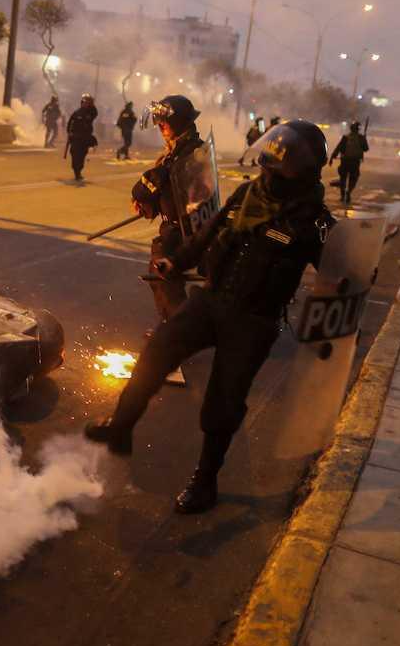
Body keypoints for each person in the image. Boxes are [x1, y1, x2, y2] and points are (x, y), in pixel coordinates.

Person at [85, 120, 335, 514]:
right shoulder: (247, 195)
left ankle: (205, 482)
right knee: (156, 353)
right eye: (267, 164)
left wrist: (357, 266)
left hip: (254, 321)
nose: (267, 174)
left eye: (277, 168)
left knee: (223, 404)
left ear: (303, 172)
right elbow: (205, 237)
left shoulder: (315, 222)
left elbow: (342, 274)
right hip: (211, 300)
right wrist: (175, 261)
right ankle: (120, 429)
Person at [130, 94, 213, 387]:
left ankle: (178, 337)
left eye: (165, 122)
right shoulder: (183, 149)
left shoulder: (187, 153)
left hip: (184, 229)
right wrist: (150, 203)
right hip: (178, 225)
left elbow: (150, 186)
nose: (161, 126)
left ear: (178, 122)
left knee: (164, 274)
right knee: (165, 277)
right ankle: (176, 329)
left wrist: (146, 192)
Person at [329, 119, 368, 205]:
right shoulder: (361, 138)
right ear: (358, 129)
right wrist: (365, 139)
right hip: (355, 162)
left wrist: (332, 157)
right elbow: (366, 149)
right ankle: (348, 192)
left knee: (343, 179)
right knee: (353, 178)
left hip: (345, 161)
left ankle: (343, 196)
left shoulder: (345, 137)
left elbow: (338, 148)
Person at [65, 93, 98, 181]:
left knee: (82, 155)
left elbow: (95, 113)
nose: (85, 104)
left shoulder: (90, 113)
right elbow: (69, 124)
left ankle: (78, 170)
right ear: (81, 103)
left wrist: (92, 103)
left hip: (85, 139)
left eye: (87, 102)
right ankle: (77, 172)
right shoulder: (76, 113)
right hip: (76, 138)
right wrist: (69, 133)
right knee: (75, 155)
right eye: (84, 102)